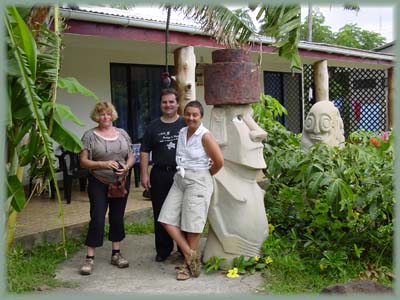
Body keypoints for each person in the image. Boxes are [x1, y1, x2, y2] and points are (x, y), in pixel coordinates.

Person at [158, 100, 224, 280]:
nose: (191, 117)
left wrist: (204, 175)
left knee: (192, 225)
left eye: (195, 114)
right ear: (183, 114)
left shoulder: (205, 136)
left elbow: (219, 162)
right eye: (188, 114)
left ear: (201, 117)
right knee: (166, 219)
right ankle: (190, 255)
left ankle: (187, 267)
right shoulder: (181, 132)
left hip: (199, 179)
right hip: (180, 178)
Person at [79, 101, 134, 275]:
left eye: (108, 114)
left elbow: (131, 156)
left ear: (113, 115)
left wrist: (126, 167)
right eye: (102, 114)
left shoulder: (122, 133)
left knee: (117, 218)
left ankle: (116, 254)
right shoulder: (89, 135)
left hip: (120, 181)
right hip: (98, 181)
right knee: (97, 218)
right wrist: (102, 164)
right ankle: (89, 258)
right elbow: (83, 161)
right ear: (96, 116)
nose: (106, 117)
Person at [140, 88, 186, 262]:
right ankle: (163, 250)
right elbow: (144, 151)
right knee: (160, 213)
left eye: (171, 102)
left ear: (177, 103)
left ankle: (183, 249)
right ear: (161, 104)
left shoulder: (184, 123)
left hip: (181, 173)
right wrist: (144, 174)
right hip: (159, 174)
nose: (168, 105)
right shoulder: (153, 126)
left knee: (182, 212)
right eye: (165, 102)